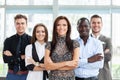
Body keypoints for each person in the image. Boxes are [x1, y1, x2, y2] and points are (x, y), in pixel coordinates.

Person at [44, 15, 80, 80]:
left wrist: (53, 65)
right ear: (55, 27)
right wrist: (67, 63)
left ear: (68, 27)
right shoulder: (49, 44)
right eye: (58, 25)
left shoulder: (75, 43)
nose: (61, 27)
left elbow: (74, 65)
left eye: (64, 25)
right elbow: (47, 66)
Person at [3, 14, 31, 80]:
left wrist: (12, 57)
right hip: (11, 75)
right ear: (15, 25)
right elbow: (6, 59)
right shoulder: (8, 40)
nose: (20, 26)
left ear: (26, 25)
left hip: (27, 75)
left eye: (22, 23)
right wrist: (22, 57)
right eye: (17, 23)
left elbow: (32, 58)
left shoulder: (31, 41)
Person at [90, 14, 112, 80]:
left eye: (98, 23)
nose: (96, 25)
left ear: (101, 24)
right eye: (93, 23)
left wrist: (91, 57)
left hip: (104, 76)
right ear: (90, 25)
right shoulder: (85, 40)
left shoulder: (107, 40)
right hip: (89, 76)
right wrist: (103, 52)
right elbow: (84, 57)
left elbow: (108, 57)